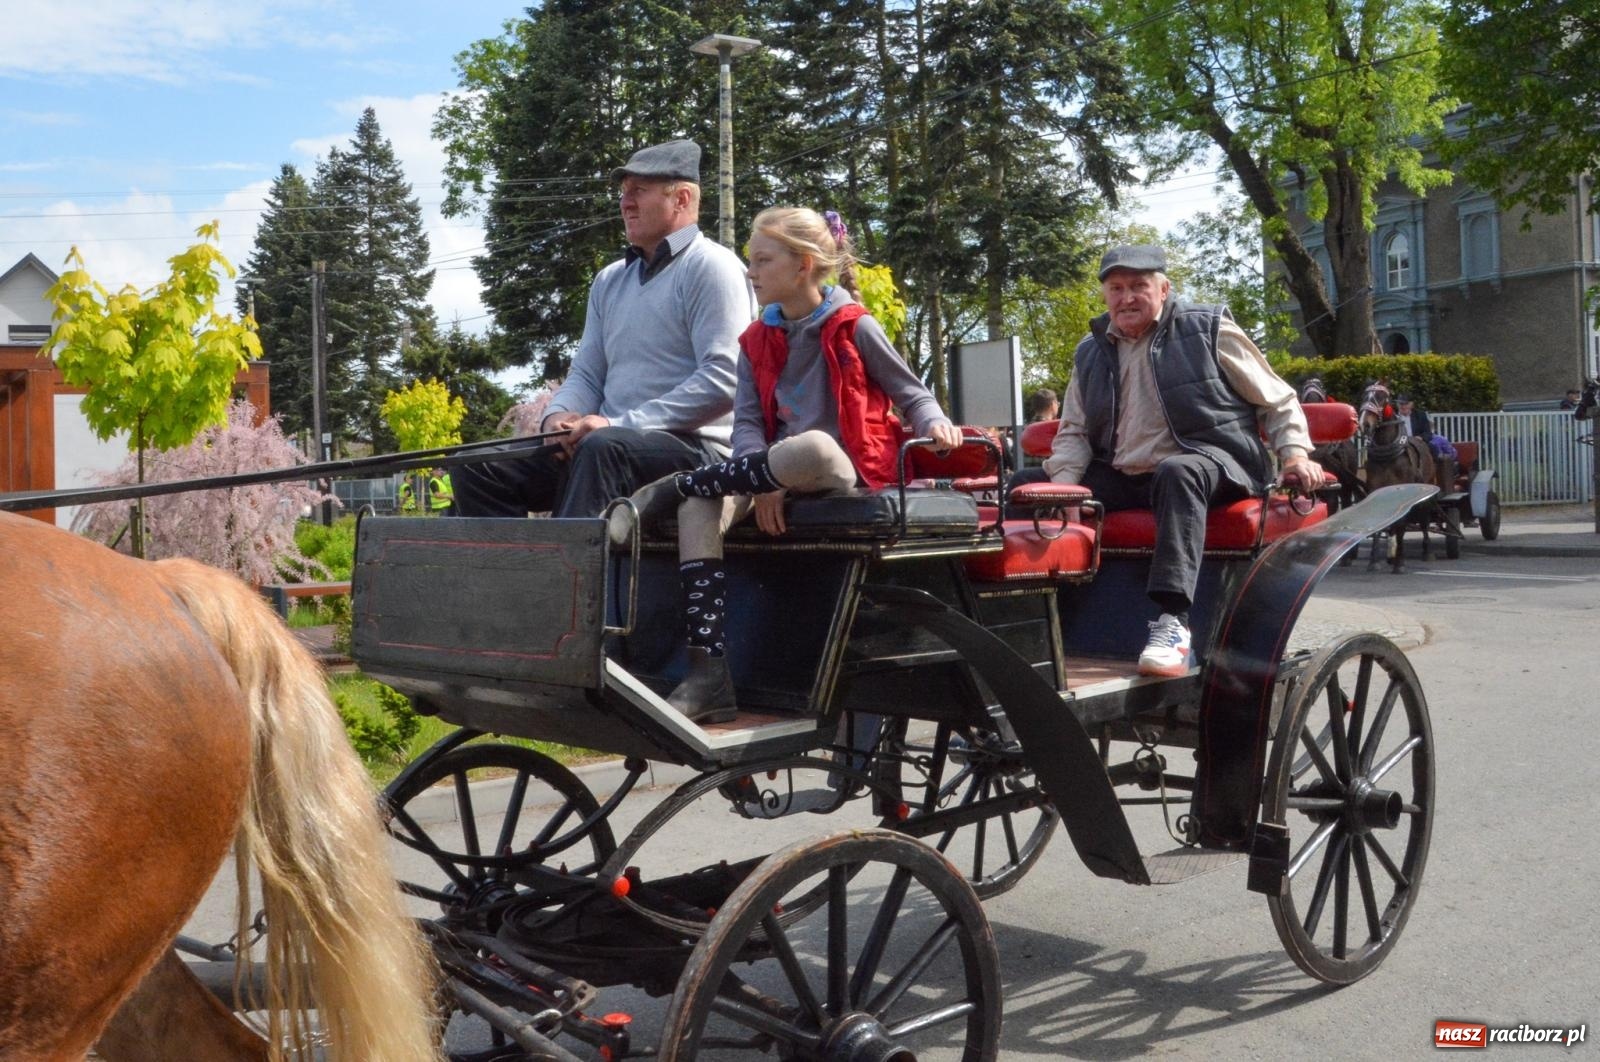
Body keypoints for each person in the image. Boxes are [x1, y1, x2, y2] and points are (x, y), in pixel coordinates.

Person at [615, 207, 962, 721]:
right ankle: (709, 671)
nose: (750, 272)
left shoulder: (854, 326)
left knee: (815, 445)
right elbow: (748, 424)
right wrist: (766, 481)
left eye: (761, 260)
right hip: (769, 474)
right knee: (697, 506)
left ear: (802, 265)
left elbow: (912, 394)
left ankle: (675, 484)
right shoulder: (755, 340)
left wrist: (935, 423)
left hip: (843, 472)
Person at [1011, 244, 1325, 678]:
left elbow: (1279, 399)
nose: (1127, 298)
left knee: (1178, 472)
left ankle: (1173, 624)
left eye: (1139, 286)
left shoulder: (1208, 327)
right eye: (1116, 288)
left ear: (1164, 289)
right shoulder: (1090, 350)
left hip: (1217, 463)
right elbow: (1075, 433)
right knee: (1025, 485)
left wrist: (1294, 453)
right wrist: (1065, 488)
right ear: (1105, 295)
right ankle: (1022, 626)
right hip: (1126, 475)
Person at [452, 140, 754, 518]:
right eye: (624, 193)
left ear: (681, 199)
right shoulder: (611, 280)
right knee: (475, 464)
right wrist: (556, 419)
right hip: (611, 444)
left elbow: (724, 380)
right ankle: (511, 574)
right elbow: (588, 374)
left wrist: (616, 423)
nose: (625, 203)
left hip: (694, 449)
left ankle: (570, 575)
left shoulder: (712, 267)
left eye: (639, 192)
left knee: (602, 450)